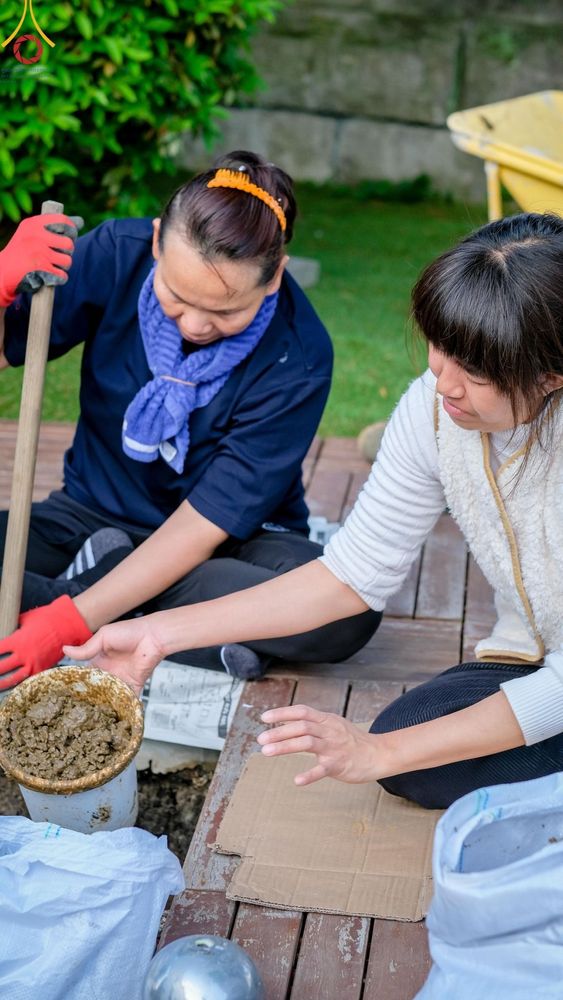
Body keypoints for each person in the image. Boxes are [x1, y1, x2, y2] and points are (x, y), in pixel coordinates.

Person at [62, 211, 563, 810]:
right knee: (416, 757)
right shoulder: (431, 410)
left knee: (404, 755)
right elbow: (350, 576)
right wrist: (153, 633)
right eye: (440, 345)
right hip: (535, 655)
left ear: (550, 375)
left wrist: (382, 755)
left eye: (475, 371)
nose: (443, 379)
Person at [0, 150, 380, 688]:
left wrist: (71, 619)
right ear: (157, 242)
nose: (197, 325)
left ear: (275, 279)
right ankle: (174, 628)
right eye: (176, 296)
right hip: (88, 517)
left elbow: (205, 525)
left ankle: (90, 593)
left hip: (225, 548)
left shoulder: (299, 355)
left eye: (227, 311)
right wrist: (1, 285)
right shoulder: (116, 255)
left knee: (349, 614)